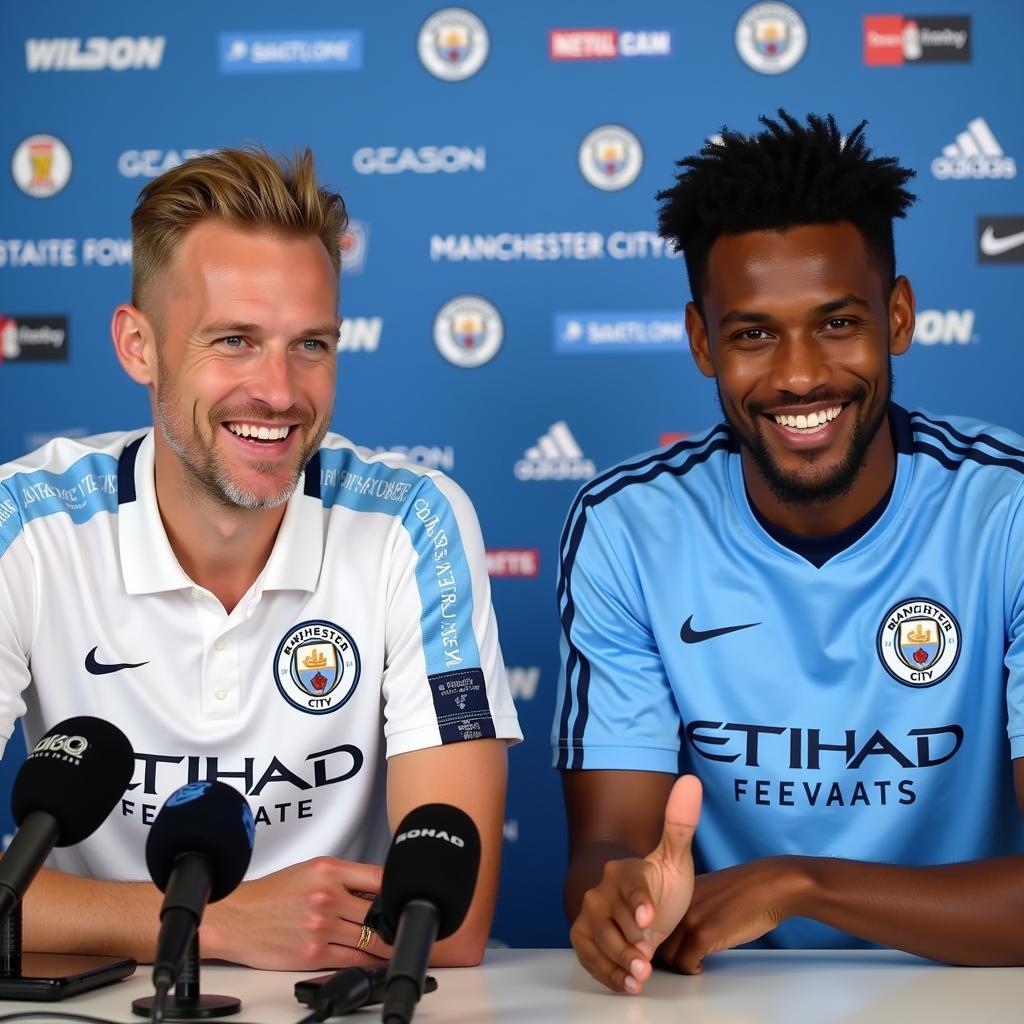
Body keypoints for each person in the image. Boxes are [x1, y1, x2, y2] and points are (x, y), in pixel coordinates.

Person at [0, 148, 521, 968]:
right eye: (235, 340)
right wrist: (211, 923)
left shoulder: (415, 524)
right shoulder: (22, 525)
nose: (279, 392)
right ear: (139, 346)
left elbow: (449, 923)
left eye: (310, 345)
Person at [554, 110, 1024, 994]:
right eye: (754, 334)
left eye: (838, 324)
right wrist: (620, 906)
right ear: (702, 341)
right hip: (718, 1001)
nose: (800, 375)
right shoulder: (629, 528)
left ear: (899, 315)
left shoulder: (1009, 515)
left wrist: (799, 885)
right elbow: (606, 851)